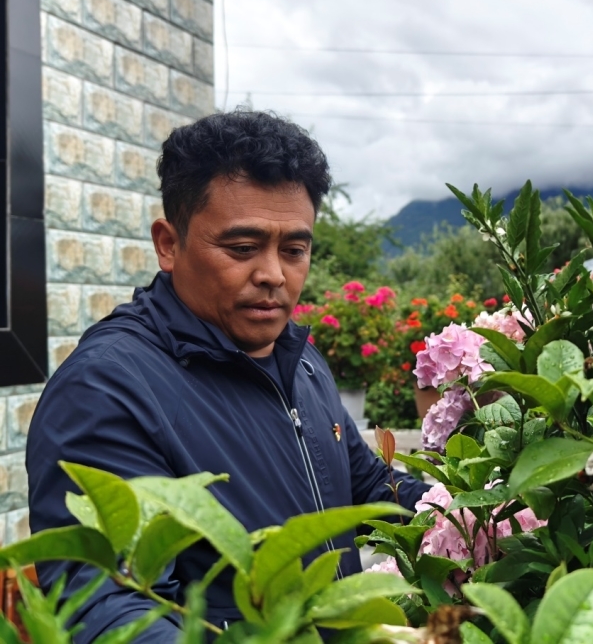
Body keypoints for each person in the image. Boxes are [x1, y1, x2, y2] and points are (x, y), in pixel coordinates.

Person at [26, 111, 430, 641]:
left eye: (295, 250)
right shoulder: (107, 388)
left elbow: (368, 486)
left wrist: (477, 515)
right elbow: (114, 612)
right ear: (169, 243)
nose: (273, 274)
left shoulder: (302, 360)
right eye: (242, 249)